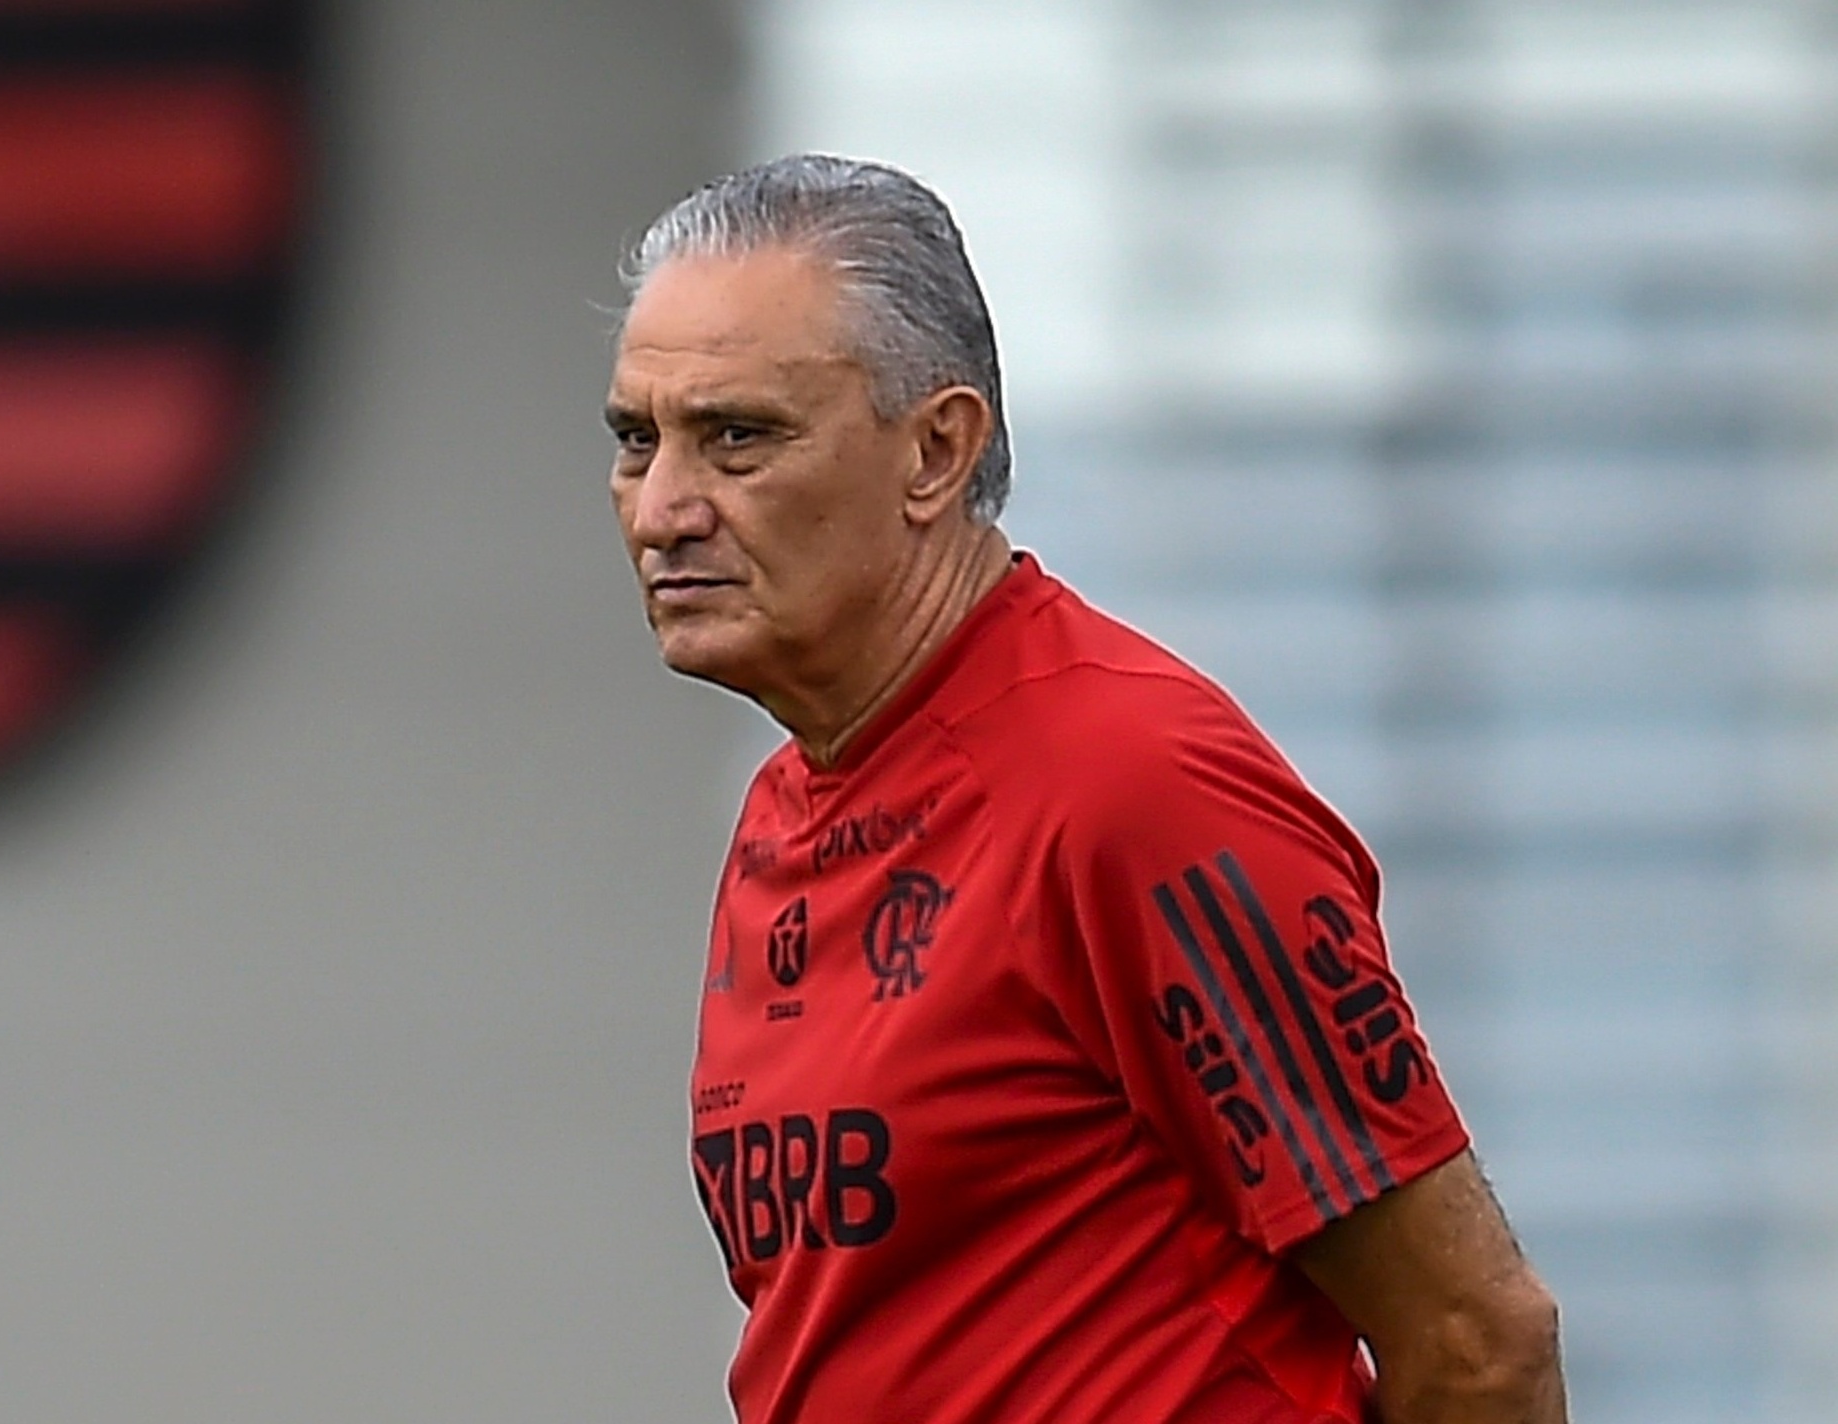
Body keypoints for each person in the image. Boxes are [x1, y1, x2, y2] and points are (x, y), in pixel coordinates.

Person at [605, 153, 1568, 1424]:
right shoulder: (792, 799)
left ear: (937, 451)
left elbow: (1473, 1338)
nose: (665, 507)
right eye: (637, 439)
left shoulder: (1129, 783)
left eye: (739, 437)